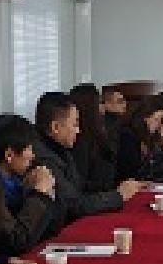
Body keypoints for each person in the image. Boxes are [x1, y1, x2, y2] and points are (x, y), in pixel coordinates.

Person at [32, 91, 143, 222]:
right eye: (75, 124)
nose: (78, 131)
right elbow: (74, 206)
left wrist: (117, 188)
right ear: (55, 127)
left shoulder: (60, 148)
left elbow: (79, 185)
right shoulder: (44, 159)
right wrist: (118, 195)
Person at [0, 113, 62, 254]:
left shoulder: (16, 182)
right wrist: (40, 194)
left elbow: (51, 230)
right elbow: (17, 242)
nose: (33, 156)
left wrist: (48, 192)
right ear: (9, 155)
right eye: (29, 149)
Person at [69, 83, 117, 192]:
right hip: (98, 197)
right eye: (100, 102)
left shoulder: (100, 131)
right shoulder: (79, 140)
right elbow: (81, 184)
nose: (104, 107)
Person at [116, 96, 163, 181]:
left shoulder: (149, 137)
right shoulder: (128, 137)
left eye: (161, 121)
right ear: (144, 118)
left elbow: (157, 165)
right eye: (156, 120)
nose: (159, 125)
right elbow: (129, 172)